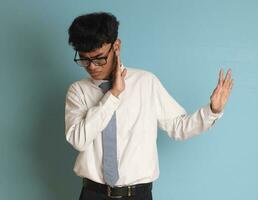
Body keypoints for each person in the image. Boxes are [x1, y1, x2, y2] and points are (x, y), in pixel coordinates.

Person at [65, 11, 233, 200]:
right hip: (93, 194)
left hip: (138, 195)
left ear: (116, 46)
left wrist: (213, 111)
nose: (92, 66)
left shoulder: (146, 83)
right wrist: (113, 95)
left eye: (99, 58)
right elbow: (78, 140)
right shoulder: (78, 91)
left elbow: (179, 127)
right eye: (84, 59)